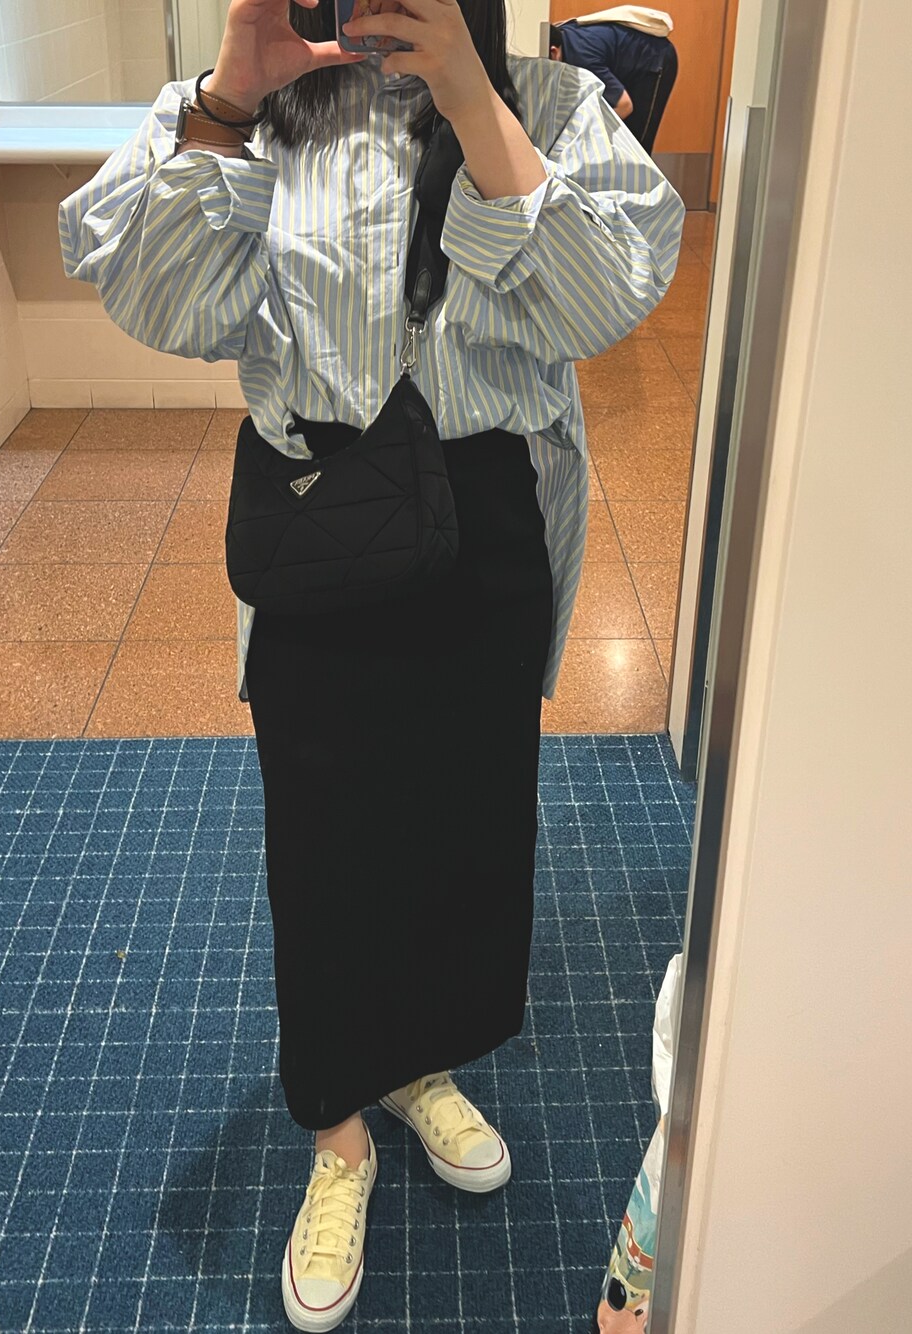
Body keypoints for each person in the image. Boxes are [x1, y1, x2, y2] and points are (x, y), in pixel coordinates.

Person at [59, 0, 683, 1328]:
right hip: (321, 520)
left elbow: (602, 301)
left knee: (467, 831)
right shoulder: (261, 113)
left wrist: (468, 94)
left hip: (488, 528)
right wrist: (230, 93)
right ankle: (337, 1129)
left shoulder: (550, 106)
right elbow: (157, 298)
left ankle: (415, 1061)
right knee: (327, 845)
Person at [549, 10, 678, 153]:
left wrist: (584, 135)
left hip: (653, 57)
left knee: (636, 144)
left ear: (554, 52)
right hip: (624, 58)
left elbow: (624, 106)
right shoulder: (559, 35)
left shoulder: (581, 58)